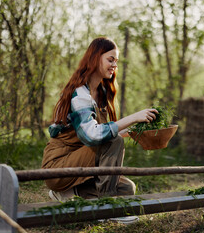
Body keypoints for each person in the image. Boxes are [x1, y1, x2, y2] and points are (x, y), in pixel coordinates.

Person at [42, 37, 158, 202]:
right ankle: (106, 205)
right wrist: (133, 117)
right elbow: (93, 136)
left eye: (116, 61)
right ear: (95, 58)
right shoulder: (79, 93)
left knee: (127, 188)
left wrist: (135, 130)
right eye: (110, 60)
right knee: (114, 141)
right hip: (59, 168)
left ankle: (72, 191)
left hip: (82, 163)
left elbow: (103, 131)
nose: (114, 65)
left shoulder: (102, 93)